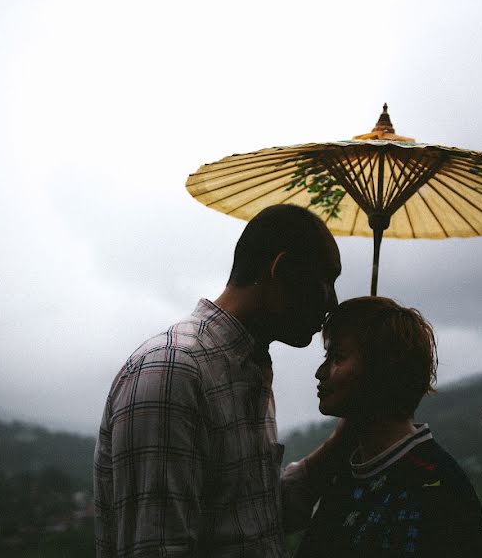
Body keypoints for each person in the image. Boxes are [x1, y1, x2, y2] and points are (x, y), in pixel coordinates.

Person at [93, 204, 353, 558]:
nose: (332, 304)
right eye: (326, 282)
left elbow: (251, 521)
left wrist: (341, 442)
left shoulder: (247, 370)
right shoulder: (174, 373)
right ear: (283, 270)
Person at [288, 296, 482, 557]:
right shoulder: (350, 475)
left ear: (382, 369)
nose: (320, 372)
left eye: (337, 357)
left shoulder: (441, 486)